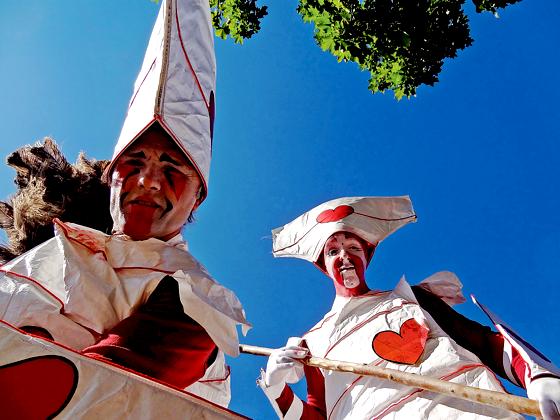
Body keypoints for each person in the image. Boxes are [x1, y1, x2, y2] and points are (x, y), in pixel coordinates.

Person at [0, 0, 248, 407]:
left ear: (197, 198)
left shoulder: (196, 300)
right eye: (134, 162)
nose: (149, 181)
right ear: (110, 176)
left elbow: (99, 392)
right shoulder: (55, 250)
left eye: (172, 167)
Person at [258, 196, 560, 419]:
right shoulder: (312, 343)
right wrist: (276, 388)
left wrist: (538, 376)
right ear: (324, 266)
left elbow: (484, 343)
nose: (344, 256)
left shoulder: (409, 299)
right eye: (333, 251)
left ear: (366, 256)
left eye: (353, 248)